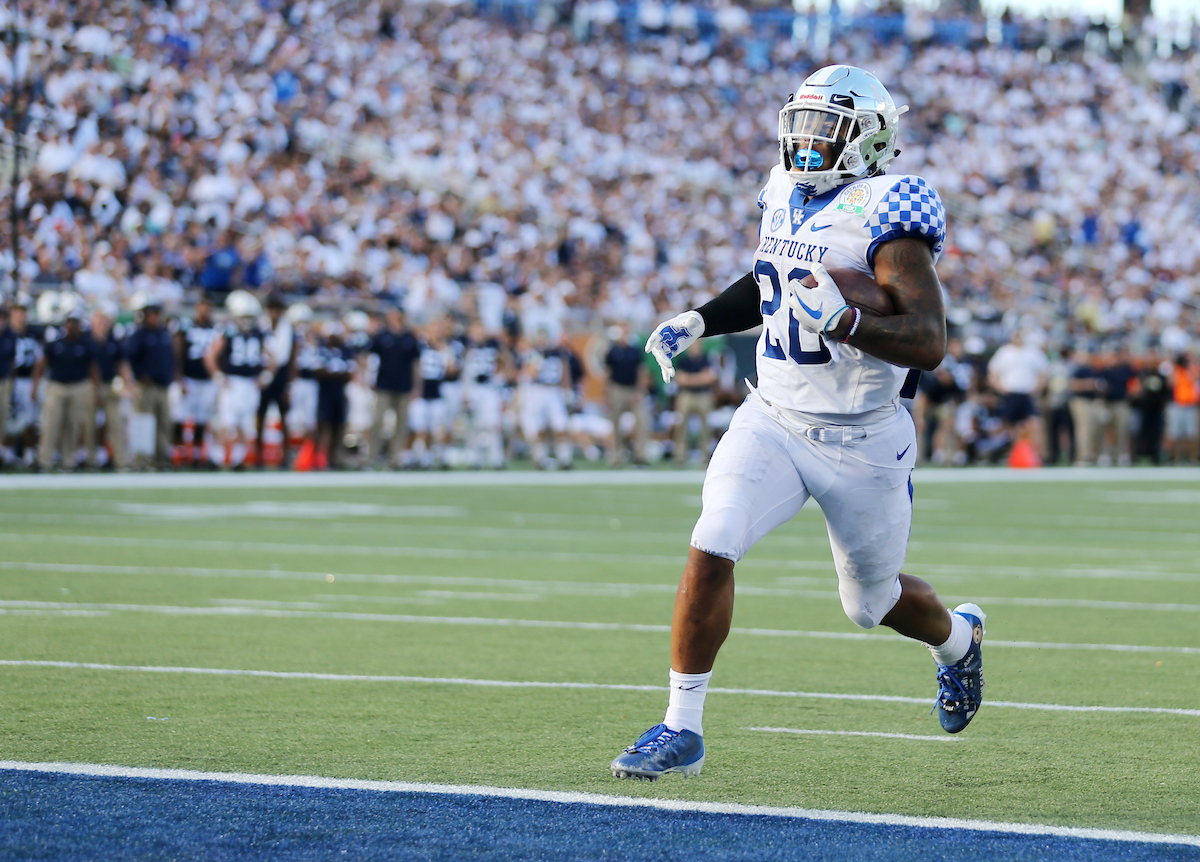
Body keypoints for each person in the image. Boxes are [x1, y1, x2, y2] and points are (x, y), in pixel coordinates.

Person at [611, 65, 985, 782]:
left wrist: (846, 320)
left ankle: (958, 640)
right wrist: (699, 320)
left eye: (828, 131)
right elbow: (768, 283)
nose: (809, 143)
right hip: (774, 416)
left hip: (864, 436)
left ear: (870, 140)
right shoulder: (782, 189)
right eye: (805, 126)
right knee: (714, 535)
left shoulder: (890, 208)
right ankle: (680, 728)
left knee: (870, 604)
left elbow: (929, 342)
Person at [205, 290, 274, 469]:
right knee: (226, 423)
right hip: (233, 382)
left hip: (250, 383)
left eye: (249, 316)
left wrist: (266, 376)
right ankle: (218, 459)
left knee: (245, 424)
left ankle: (239, 460)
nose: (247, 320)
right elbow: (210, 356)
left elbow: (273, 358)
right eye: (243, 316)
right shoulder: (227, 331)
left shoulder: (259, 332)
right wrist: (218, 375)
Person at [32, 305, 98, 472]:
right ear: (65, 324)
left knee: (73, 425)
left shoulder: (86, 344)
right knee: (51, 425)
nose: (72, 326)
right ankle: (45, 460)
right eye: (69, 322)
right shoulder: (55, 344)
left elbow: (93, 368)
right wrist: (35, 386)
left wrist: (95, 390)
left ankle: (68, 462)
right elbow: (41, 365)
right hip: (57, 386)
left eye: (75, 323)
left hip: (78, 386)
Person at [123, 294, 177, 470]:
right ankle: (141, 459)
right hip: (147, 386)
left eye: (156, 313)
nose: (154, 316)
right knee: (144, 422)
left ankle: (162, 459)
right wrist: (140, 375)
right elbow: (130, 357)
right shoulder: (140, 334)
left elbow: (170, 358)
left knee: (164, 424)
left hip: (163, 385)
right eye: (151, 313)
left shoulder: (164, 333)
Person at [368, 306, 421, 468]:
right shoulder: (382, 335)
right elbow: (370, 357)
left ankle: (394, 458)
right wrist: (368, 378)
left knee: (401, 425)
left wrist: (417, 387)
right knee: (378, 421)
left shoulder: (409, 337)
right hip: (384, 385)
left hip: (403, 386)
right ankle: (371, 457)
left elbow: (415, 365)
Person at [176, 296, 220, 468]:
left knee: (202, 420)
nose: (204, 310)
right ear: (196, 307)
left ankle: (196, 455)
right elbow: (178, 352)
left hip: (207, 380)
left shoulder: (216, 328)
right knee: (180, 418)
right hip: (189, 378)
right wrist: (179, 378)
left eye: (207, 306)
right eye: (202, 306)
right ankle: (178, 454)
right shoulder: (186, 327)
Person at [87, 303, 128, 471]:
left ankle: (122, 461)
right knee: (90, 425)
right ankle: (91, 460)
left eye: (105, 319)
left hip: (110, 384)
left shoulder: (113, 339)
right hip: (90, 386)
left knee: (116, 423)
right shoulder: (87, 339)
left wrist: (128, 383)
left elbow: (122, 363)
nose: (103, 322)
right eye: (99, 318)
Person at [256, 292, 294, 469]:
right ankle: (258, 455)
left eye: (277, 309)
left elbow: (288, 357)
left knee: (283, 416)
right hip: (263, 372)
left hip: (281, 375)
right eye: (272, 309)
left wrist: (289, 383)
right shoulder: (261, 326)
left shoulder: (287, 328)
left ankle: (285, 456)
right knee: (260, 415)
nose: (274, 312)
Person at [603, 323, 650, 467]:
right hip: (616, 389)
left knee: (642, 421)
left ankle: (640, 455)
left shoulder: (634, 351)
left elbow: (641, 372)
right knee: (615, 424)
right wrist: (607, 393)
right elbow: (608, 373)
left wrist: (639, 391)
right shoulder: (612, 351)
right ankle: (617, 456)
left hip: (632, 390)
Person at [671, 341, 717, 466]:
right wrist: (699, 378)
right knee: (681, 425)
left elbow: (710, 377)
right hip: (686, 395)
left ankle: (705, 454)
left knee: (706, 426)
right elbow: (680, 379)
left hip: (703, 394)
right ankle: (680, 455)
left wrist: (690, 379)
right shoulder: (683, 360)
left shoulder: (706, 359)